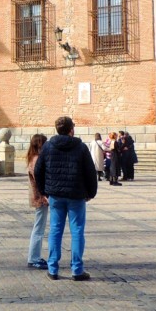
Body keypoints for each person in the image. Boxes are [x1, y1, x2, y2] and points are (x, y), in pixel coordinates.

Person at [34, 116, 98, 281]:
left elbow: (38, 170)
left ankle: (53, 268)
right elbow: (90, 172)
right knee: (77, 231)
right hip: (76, 195)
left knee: (55, 231)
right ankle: (77, 270)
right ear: (71, 129)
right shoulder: (81, 147)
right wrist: (91, 193)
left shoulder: (48, 146)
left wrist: (44, 192)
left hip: (55, 195)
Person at [25, 134, 49, 270]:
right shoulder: (36, 160)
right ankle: (33, 258)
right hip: (40, 198)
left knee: (39, 227)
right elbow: (39, 179)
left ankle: (35, 256)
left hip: (39, 197)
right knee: (39, 228)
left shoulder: (33, 158)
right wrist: (45, 194)